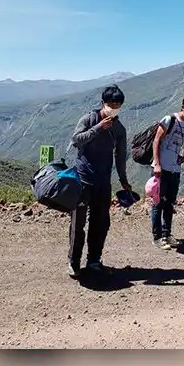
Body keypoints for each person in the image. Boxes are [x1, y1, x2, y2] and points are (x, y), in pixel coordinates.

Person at [67, 85, 133, 278]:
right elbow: (76, 140)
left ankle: (94, 260)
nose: (114, 107)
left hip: (103, 182)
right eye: (111, 103)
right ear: (103, 102)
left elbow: (121, 156)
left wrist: (123, 180)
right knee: (77, 223)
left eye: (118, 104)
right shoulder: (89, 119)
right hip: (82, 179)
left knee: (101, 222)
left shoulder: (119, 129)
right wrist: (97, 128)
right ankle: (74, 262)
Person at [150, 94, 184, 250]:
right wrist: (157, 163)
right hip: (161, 168)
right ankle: (157, 237)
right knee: (158, 203)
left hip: (175, 169)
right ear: (183, 106)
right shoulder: (169, 120)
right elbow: (156, 140)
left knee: (169, 203)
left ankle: (167, 234)